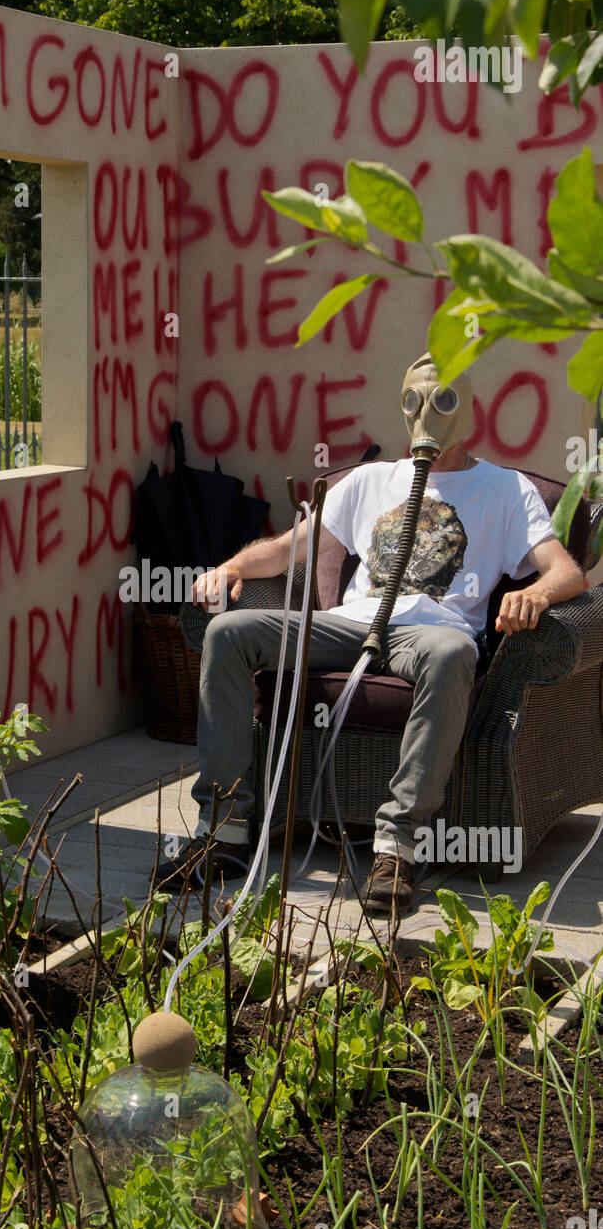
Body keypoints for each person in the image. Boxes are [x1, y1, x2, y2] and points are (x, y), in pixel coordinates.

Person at [168, 353, 585, 915]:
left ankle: (398, 844)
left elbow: (567, 571)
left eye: (443, 401)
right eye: (415, 401)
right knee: (228, 633)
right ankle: (224, 826)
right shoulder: (369, 480)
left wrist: (536, 593)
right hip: (351, 626)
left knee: (454, 651)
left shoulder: (505, 490)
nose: (427, 414)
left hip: (432, 634)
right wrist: (234, 568)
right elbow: (293, 546)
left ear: (469, 410)